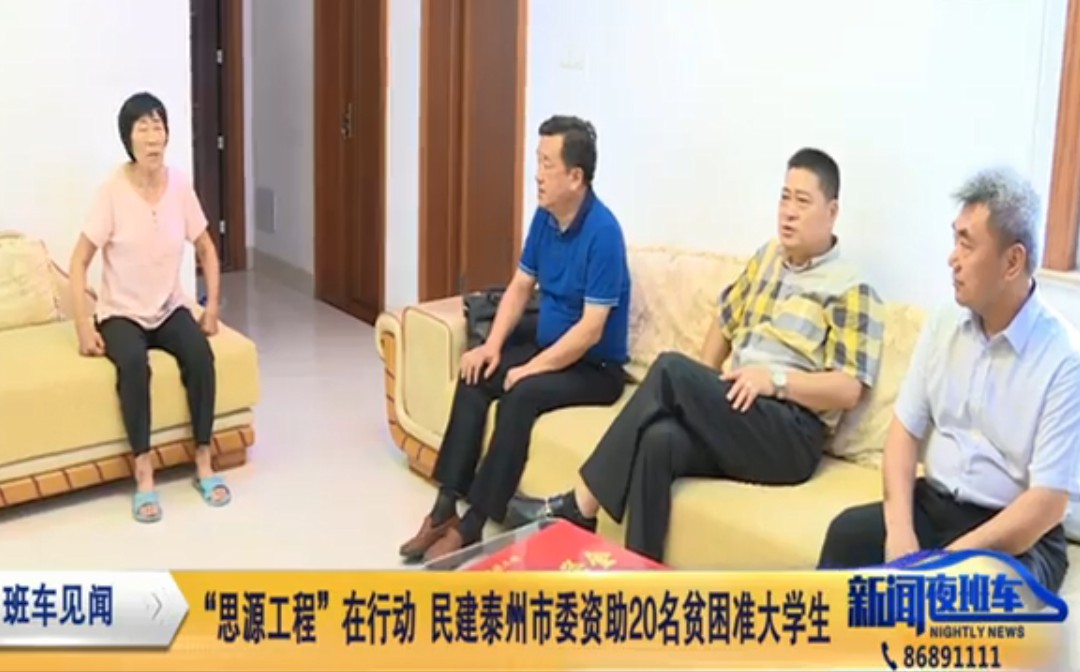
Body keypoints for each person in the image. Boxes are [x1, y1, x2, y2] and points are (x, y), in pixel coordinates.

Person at [509, 148, 886, 563]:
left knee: (670, 368)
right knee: (659, 441)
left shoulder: (850, 288)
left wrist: (775, 382)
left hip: (791, 434)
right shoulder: (767, 259)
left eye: (802, 201)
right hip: (741, 408)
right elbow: (725, 319)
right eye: (784, 197)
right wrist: (699, 393)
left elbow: (848, 389)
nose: (788, 212)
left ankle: (580, 505)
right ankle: (642, 578)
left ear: (831, 212)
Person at [818, 167, 1080, 595]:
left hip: (1016, 534)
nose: (952, 258)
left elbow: (1047, 503)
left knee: (970, 594)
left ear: (1012, 261)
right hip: (936, 504)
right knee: (846, 536)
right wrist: (900, 532)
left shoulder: (1064, 358)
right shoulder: (944, 322)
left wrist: (946, 560)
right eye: (954, 239)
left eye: (966, 244)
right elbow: (904, 433)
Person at [399, 115, 631, 563]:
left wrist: (530, 369)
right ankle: (444, 508)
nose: (537, 174)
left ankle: (473, 524)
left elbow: (591, 330)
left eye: (547, 164)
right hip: (550, 348)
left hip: (594, 368)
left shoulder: (604, 233)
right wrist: (491, 347)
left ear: (576, 177)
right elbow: (521, 286)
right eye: (537, 161)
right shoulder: (546, 219)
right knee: (477, 372)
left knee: (520, 395)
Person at [69, 92, 230, 523]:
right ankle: (144, 473)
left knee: (201, 356)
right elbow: (79, 260)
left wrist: (212, 307)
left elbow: (206, 248)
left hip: (168, 306)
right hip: (121, 312)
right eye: (143, 127)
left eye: (158, 126)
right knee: (134, 365)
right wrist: (84, 327)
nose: (153, 135)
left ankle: (203, 461)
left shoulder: (179, 185)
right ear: (129, 139)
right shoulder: (112, 191)